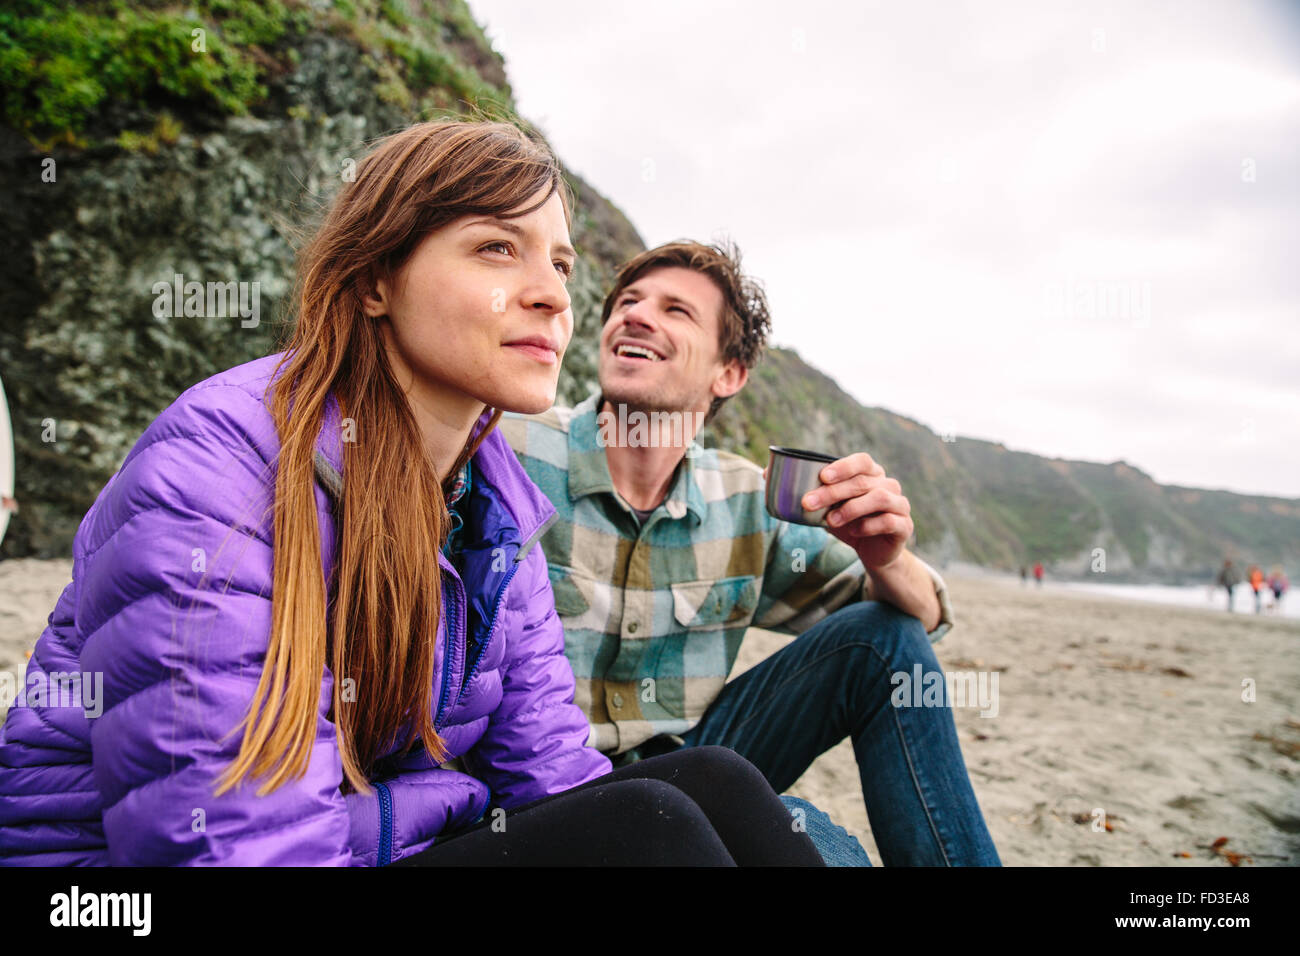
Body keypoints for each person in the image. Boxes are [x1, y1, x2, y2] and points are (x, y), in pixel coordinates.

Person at [0, 122, 818, 867]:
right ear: (374, 281)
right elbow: (237, 847)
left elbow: (550, 774)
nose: (553, 295)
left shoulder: (495, 504)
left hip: (361, 840)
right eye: (498, 248)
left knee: (712, 782)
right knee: (652, 827)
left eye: (561, 264)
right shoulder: (221, 474)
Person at [500, 239, 1000, 866]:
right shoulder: (510, 450)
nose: (636, 315)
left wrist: (884, 556)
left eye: (676, 310)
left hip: (697, 765)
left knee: (882, 637)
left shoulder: (748, 499)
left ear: (728, 374)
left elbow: (923, 621)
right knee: (815, 840)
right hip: (542, 784)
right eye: (627, 301)